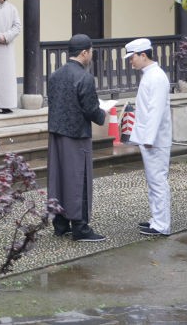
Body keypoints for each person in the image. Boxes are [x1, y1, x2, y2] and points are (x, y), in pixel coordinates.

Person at [46, 34, 109, 242]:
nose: (91, 55)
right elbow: (91, 109)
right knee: (78, 179)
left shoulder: (55, 75)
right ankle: (80, 227)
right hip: (77, 135)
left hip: (56, 134)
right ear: (84, 53)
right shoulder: (85, 77)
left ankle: (60, 224)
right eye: (91, 52)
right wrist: (103, 114)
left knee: (59, 179)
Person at [125, 37, 172, 237]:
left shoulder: (156, 77)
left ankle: (162, 224)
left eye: (132, 57)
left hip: (155, 139)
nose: (131, 61)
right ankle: (157, 219)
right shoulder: (151, 75)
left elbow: (155, 111)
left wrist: (149, 139)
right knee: (154, 181)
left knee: (158, 181)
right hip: (150, 138)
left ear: (143, 55)